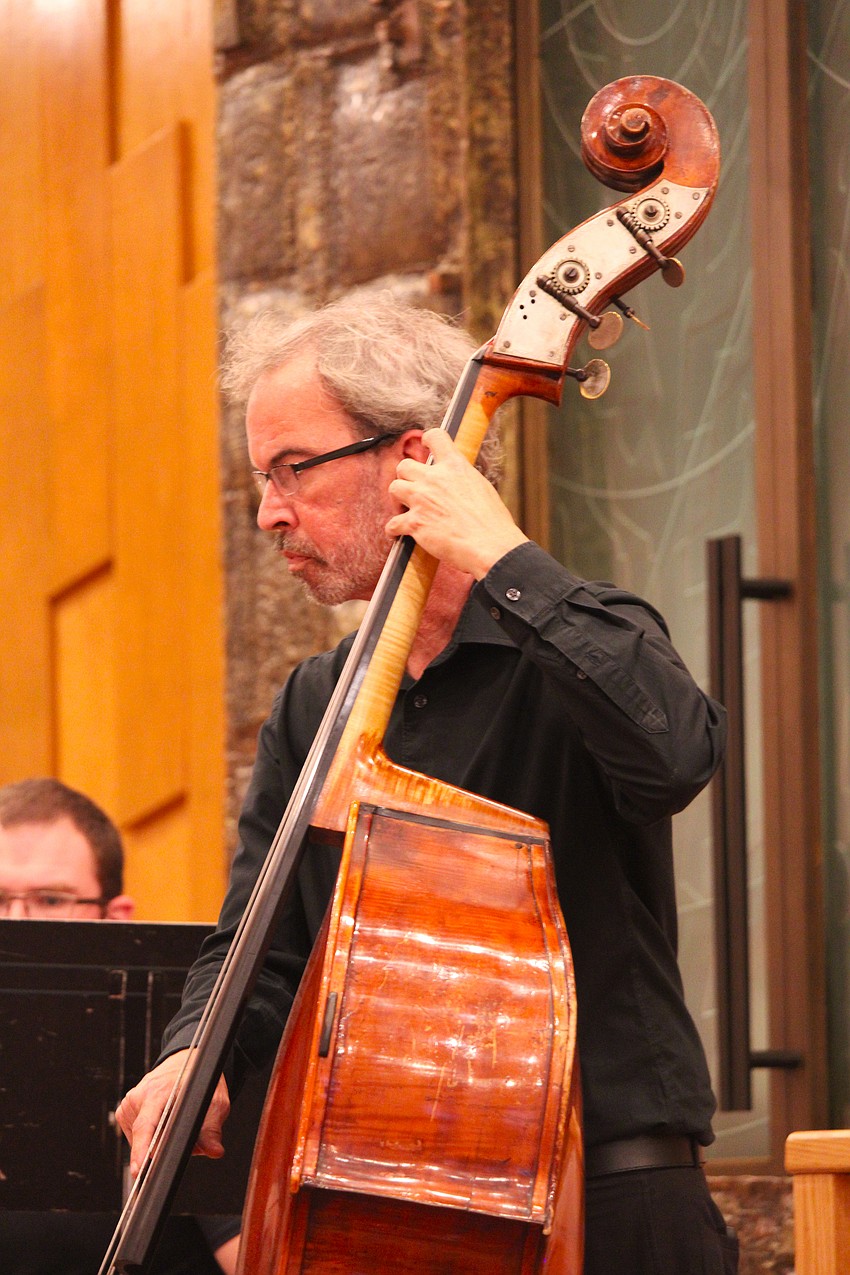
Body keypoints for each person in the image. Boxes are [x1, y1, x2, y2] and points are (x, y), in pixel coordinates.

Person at [117, 298, 739, 1273]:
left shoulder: (577, 644)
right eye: (259, 479)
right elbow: (259, 936)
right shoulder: (314, 702)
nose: (268, 511)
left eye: (292, 469)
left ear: (411, 457)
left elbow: (678, 756)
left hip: (614, 1206)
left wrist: (502, 558)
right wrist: (194, 1050)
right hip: (396, 1205)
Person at [0, 778, 241, 1275]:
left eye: (49, 900)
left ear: (116, 917)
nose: (15, 925)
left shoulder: (182, 1062)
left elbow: (253, 1258)